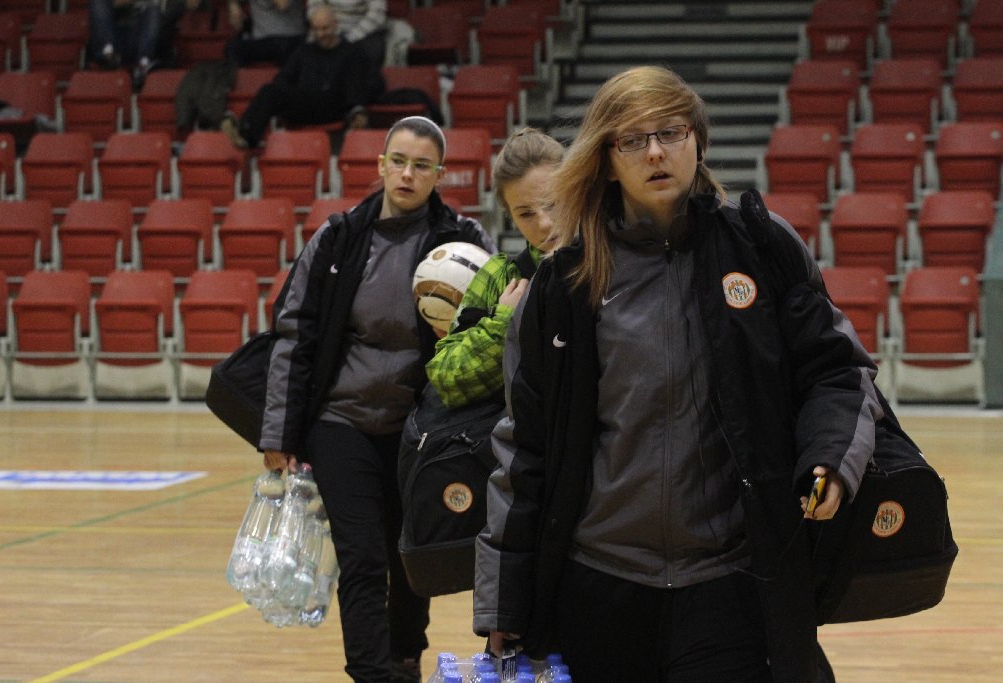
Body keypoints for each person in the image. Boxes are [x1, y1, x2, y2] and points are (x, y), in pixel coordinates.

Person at [472, 65, 884, 681]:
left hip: (731, 579)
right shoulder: (563, 283)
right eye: (633, 139)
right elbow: (523, 448)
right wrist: (502, 603)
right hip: (598, 582)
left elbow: (839, 370)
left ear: (698, 141)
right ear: (607, 158)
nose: (656, 151)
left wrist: (830, 455)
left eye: (672, 131)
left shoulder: (761, 247)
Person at [259, 116, 495, 683]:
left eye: (422, 165)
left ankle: (404, 658)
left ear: (439, 174)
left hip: (422, 430)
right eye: (399, 161)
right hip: (342, 422)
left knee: (409, 556)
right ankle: (371, 673)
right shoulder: (338, 236)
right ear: (381, 165)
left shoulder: (463, 242)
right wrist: (278, 435)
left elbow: (489, 335)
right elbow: (295, 333)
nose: (407, 174)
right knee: (362, 560)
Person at [425, 127, 563, 410]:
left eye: (554, 203)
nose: (545, 223)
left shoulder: (614, 259)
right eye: (526, 213)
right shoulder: (499, 276)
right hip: (526, 448)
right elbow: (446, 379)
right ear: (510, 216)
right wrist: (504, 323)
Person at [220, 4, 382, 149]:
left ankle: (243, 129)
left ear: (335, 25)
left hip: (334, 105)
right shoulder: (304, 51)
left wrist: (356, 109)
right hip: (306, 102)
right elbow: (282, 79)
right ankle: (245, 135)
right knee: (270, 91)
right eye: (316, 29)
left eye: (325, 29)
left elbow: (361, 85)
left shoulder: (351, 52)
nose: (320, 34)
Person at [87, 0, 165, 89]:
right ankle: (108, 55)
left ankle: (143, 65)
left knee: (153, 10)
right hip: (112, 34)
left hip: (139, 36)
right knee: (98, 3)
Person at [224, 0, 307, 67]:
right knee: (233, 47)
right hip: (260, 40)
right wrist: (233, 5)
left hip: (289, 38)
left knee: (284, 47)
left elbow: (282, 4)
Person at [309, 0, 388, 68]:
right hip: (328, 27)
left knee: (372, 51)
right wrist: (330, 31)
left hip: (361, 32)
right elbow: (314, 7)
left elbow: (377, 14)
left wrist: (348, 38)